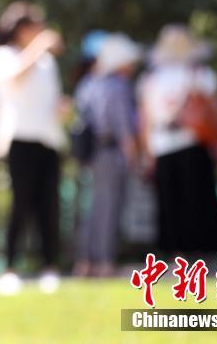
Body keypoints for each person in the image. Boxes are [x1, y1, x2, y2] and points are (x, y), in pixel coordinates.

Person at [0, 2, 66, 294]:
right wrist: (40, 46)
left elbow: (53, 100)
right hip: (19, 139)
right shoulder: (3, 55)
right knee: (20, 205)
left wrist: (63, 108)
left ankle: (50, 267)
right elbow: (15, 78)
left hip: (49, 140)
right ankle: (10, 268)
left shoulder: (48, 63)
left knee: (49, 207)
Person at [138, 24, 217, 255]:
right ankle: (202, 251)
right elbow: (215, 112)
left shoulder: (151, 79)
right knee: (198, 200)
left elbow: (146, 120)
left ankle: (174, 252)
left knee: (169, 203)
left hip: (164, 144)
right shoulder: (200, 74)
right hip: (194, 144)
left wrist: (147, 153)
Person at [73, 34, 141, 278]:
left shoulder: (88, 83)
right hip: (111, 154)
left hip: (92, 154)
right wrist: (133, 156)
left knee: (95, 208)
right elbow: (124, 128)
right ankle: (104, 262)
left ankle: (85, 261)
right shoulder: (117, 86)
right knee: (110, 208)